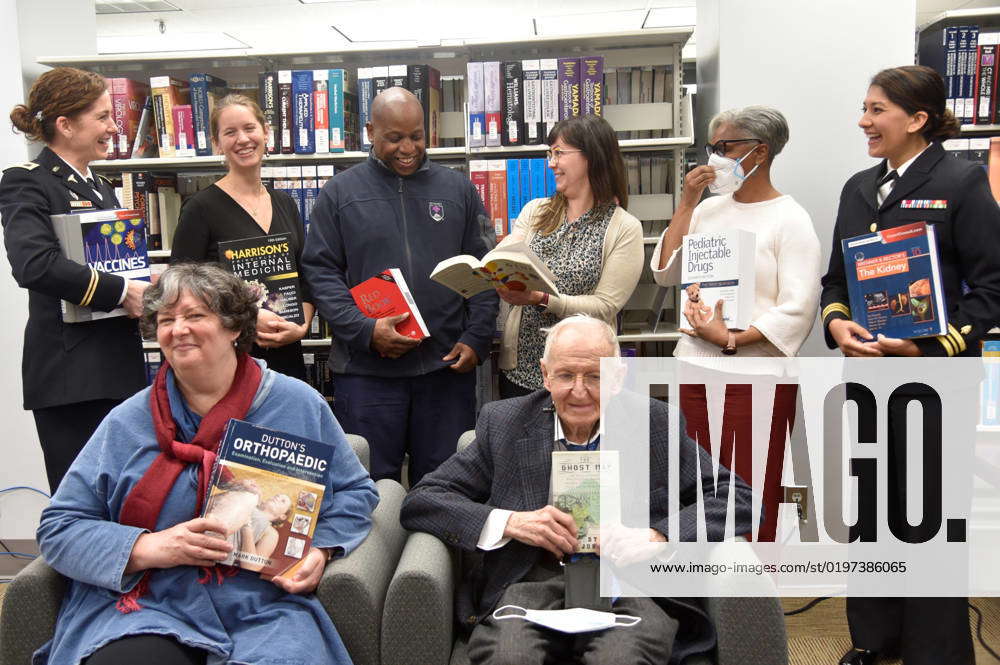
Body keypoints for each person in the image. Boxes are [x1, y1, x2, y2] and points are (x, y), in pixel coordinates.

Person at [34, 263, 378, 665]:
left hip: (260, 603)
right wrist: (148, 547)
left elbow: (356, 492)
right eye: (166, 320)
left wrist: (320, 551)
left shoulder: (296, 404)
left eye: (195, 316)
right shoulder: (127, 422)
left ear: (235, 327)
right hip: (145, 603)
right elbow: (60, 527)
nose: (178, 329)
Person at [400, 315, 753, 665]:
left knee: (620, 659)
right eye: (566, 375)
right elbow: (424, 498)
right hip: (528, 584)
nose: (579, 391)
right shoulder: (504, 423)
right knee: (511, 656)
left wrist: (656, 535)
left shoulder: (656, 423)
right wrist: (510, 522)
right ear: (545, 375)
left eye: (595, 376)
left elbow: (738, 497)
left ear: (618, 377)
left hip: (629, 586)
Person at [820, 65, 1000, 665]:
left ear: (917, 119)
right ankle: (874, 639)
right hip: (868, 381)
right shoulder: (857, 188)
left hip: (935, 381)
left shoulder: (961, 181)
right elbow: (835, 280)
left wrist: (928, 348)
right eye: (864, 108)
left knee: (929, 519)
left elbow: (992, 288)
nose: (863, 121)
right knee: (871, 514)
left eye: (876, 110)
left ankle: (934, 650)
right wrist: (837, 322)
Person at [302, 86, 498, 485]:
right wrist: (364, 330)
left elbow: (484, 269)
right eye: (394, 138)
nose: (408, 147)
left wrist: (478, 337)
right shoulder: (340, 193)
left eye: (417, 135)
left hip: (445, 371)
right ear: (371, 131)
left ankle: (436, 552)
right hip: (367, 374)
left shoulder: (458, 190)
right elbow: (320, 272)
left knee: (446, 486)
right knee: (370, 487)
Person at [649, 105, 821, 541]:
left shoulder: (790, 218)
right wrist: (687, 203)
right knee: (693, 479)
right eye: (712, 147)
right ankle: (700, 587)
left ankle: (752, 592)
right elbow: (667, 271)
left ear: (759, 152)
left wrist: (731, 338)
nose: (715, 157)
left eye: (725, 147)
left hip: (755, 376)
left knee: (751, 479)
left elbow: (799, 307)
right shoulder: (708, 211)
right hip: (694, 366)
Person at [0, 67, 148, 493]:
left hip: (117, 367)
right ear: (65, 124)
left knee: (125, 496)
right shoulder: (28, 181)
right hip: (72, 378)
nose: (113, 127)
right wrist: (123, 291)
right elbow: (34, 265)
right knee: (81, 502)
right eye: (102, 117)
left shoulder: (101, 186)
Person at [495, 114, 643, 399]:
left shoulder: (624, 228)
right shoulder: (535, 211)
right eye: (550, 153)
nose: (551, 163)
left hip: (584, 379)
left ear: (591, 157)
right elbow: (507, 255)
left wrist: (542, 299)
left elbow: (605, 306)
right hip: (522, 371)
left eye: (559, 153)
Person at [171, 94, 315, 380]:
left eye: (249, 128)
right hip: (230, 358)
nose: (243, 139)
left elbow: (305, 276)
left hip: (288, 353)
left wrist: (302, 324)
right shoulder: (200, 208)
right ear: (217, 143)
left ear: (266, 133)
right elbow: (181, 287)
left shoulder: (285, 203)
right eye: (230, 132)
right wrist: (247, 317)